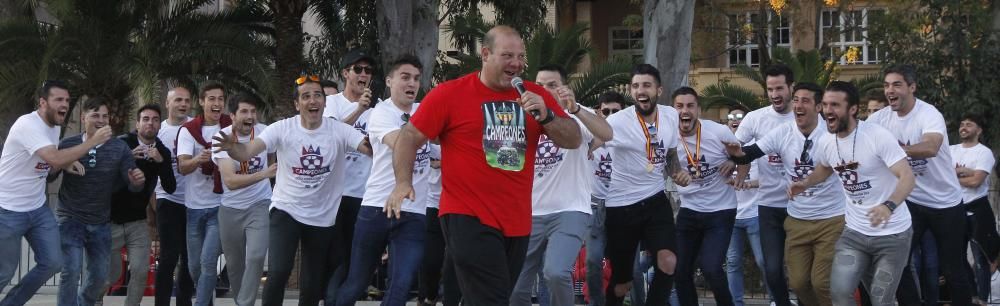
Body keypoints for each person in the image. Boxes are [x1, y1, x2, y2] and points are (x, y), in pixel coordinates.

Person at [388, 25, 581, 306]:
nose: (516, 63)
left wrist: (548, 115)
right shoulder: (450, 94)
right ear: (486, 54)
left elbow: (573, 139)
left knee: (497, 295)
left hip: (517, 220)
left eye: (520, 56)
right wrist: (403, 182)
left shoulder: (536, 95)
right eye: (507, 56)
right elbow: (409, 138)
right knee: (492, 298)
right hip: (466, 215)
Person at [212, 76, 371, 306]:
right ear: (297, 104)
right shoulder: (282, 128)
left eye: (317, 95)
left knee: (312, 281)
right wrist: (233, 148)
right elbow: (246, 151)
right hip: (286, 209)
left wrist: (385, 143)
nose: (312, 100)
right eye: (306, 96)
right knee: (278, 272)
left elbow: (366, 147)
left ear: (325, 103)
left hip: (322, 216)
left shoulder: (339, 130)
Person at [790, 81, 916, 306]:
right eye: (826, 104)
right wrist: (806, 183)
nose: (828, 110)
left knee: (880, 300)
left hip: (893, 234)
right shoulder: (827, 141)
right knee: (838, 293)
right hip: (855, 233)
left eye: (835, 105)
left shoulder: (876, 136)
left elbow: (907, 177)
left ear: (853, 109)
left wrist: (888, 206)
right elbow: (826, 167)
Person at [728, 83, 847, 306]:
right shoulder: (784, 132)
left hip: (831, 218)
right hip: (798, 218)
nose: (798, 106)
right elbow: (750, 153)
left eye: (805, 101)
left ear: (819, 106)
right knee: (799, 283)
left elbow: (836, 166)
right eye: (796, 100)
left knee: (821, 282)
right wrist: (736, 154)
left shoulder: (832, 134)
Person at [866, 64, 972, 306]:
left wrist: (896, 152)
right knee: (896, 262)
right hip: (911, 202)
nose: (889, 90)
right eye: (886, 85)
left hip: (946, 203)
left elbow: (931, 147)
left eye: (896, 85)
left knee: (952, 267)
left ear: (912, 87)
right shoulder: (879, 119)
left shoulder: (929, 114)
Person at [0, 80, 110, 306]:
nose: (65, 105)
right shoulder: (27, 124)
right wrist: (92, 142)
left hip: (37, 208)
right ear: (42, 103)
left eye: (67, 101)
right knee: (4, 272)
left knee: (52, 262)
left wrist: (64, 164)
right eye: (58, 100)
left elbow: (48, 162)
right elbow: (55, 157)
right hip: (8, 210)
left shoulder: (54, 127)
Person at [511, 64, 613, 306]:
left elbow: (607, 133)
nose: (545, 90)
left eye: (552, 85)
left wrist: (576, 109)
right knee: (515, 287)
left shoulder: (576, 114)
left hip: (570, 210)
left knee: (555, 272)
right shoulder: (520, 116)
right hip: (529, 212)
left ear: (564, 88)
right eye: (540, 84)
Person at [335, 55, 433, 306]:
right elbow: (402, 143)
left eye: (416, 79)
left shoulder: (425, 112)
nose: (412, 83)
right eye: (405, 77)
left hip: (413, 212)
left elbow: (442, 150)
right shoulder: (380, 113)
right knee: (356, 283)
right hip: (377, 209)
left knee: (401, 286)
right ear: (389, 81)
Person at [600, 64, 683, 306]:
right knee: (622, 283)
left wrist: (677, 172)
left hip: (656, 200)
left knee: (668, 262)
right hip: (622, 207)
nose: (640, 90)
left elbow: (670, 153)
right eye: (635, 86)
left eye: (646, 85)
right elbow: (596, 139)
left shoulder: (670, 115)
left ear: (659, 89)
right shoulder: (617, 121)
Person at [53, 97, 146, 306]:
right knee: (72, 269)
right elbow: (50, 175)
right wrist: (65, 162)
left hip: (100, 221)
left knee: (99, 276)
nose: (102, 120)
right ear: (83, 117)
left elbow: (132, 183)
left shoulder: (119, 148)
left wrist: (136, 180)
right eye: (96, 115)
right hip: (70, 217)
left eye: (105, 116)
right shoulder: (68, 144)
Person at [733, 64, 796, 306]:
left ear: (791, 87)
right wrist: (739, 171)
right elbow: (737, 150)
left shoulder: (804, 117)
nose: (775, 94)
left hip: (801, 206)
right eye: (770, 89)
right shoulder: (755, 118)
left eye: (779, 88)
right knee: (770, 268)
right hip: (769, 204)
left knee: (802, 271)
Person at [669, 87, 738, 306]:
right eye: (679, 106)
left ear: (698, 109)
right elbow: (662, 163)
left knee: (711, 268)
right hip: (689, 209)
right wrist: (675, 174)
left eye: (690, 106)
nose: (684, 111)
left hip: (721, 210)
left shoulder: (719, 132)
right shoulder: (667, 134)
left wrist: (733, 163)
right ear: (672, 111)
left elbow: (742, 155)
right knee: (679, 270)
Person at [102, 104, 176, 306]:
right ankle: (93, 301)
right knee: (111, 273)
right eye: (145, 119)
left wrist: (161, 161)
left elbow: (170, 187)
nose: (150, 123)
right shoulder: (122, 143)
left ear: (159, 125)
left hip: (138, 222)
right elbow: (103, 175)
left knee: (141, 271)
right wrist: (124, 159)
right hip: (111, 221)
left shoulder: (162, 151)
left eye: (154, 119)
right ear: (137, 123)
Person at [324, 48, 377, 303]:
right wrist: (358, 109)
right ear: (346, 73)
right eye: (358, 69)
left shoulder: (376, 112)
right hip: (334, 192)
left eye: (368, 71)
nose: (363, 74)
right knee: (335, 258)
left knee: (355, 260)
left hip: (362, 194)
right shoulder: (333, 103)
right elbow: (331, 136)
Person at [213, 94, 275, 306]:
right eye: (244, 112)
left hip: (260, 204)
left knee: (256, 256)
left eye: (253, 112)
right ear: (232, 116)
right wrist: (263, 174)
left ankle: (246, 302)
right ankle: (242, 303)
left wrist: (268, 173)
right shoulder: (221, 138)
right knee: (235, 266)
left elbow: (272, 157)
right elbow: (230, 180)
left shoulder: (266, 132)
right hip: (230, 209)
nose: (250, 116)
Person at [177, 82, 230, 306]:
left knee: (208, 263)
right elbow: (182, 166)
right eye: (211, 99)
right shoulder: (189, 130)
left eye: (220, 99)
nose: (217, 103)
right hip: (194, 208)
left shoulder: (230, 127)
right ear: (202, 102)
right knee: (194, 267)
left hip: (220, 206)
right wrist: (199, 159)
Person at [153, 85, 197, 306]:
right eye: (178, 100)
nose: (182, 104)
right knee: (168, 257)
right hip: (167, 200)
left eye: (187, 100)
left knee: (190, 259)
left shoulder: (195, 128)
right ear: (167, 103)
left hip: (193, 203)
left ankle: (184, 302)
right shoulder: (158, 131)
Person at [722, 107, 770, 306]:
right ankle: (736, 303)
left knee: (763, 261)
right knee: (732, 262)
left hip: (755, 212)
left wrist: (748, 183)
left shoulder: (753, 148)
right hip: (731, 215)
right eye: (731, 118)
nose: (735, 121)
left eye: (739, 117)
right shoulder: (721, 149)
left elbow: (768, 179)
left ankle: (775, 299)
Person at [951, 114, 999, 302]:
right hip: (954, 209)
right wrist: (964, 173)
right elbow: (942, 177)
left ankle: (983, 299)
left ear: (978, 130)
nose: (964, 127)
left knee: (982, 259)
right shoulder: (950, 150)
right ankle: (970, 296)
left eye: (969, 124)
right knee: (956, 256)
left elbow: (976, 181)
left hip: (977, 210)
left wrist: (954, 176)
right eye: (962, 124)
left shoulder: (983, 152)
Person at [586, 92, 625, 306]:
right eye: (606, 111)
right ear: (599, 112)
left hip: (623, 205)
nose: (610, 115)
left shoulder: (630, 134)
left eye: (615, 111)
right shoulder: (589, 135)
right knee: (593, 261)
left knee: (632, 268)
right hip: (595, 206)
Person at [417, 144, 462, 306]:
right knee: (430, 260)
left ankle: (451, 300)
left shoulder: (459, 135)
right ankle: (428, 296)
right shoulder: (425, 138)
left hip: (458, 204)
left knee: (455, 259)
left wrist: (444, 162)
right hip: (431, 203)